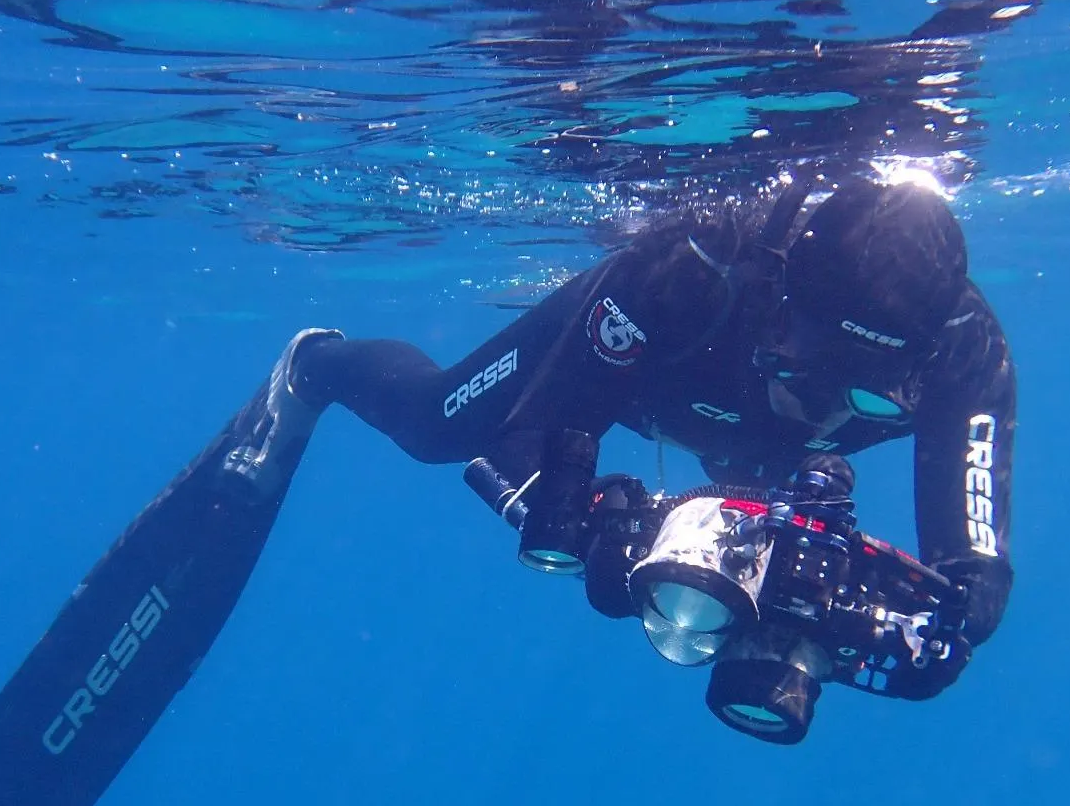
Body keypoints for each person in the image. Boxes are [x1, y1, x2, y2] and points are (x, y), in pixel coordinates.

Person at [229, 176, 1015, 702]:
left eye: (863, 394)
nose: (815, 408)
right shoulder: (690, 270)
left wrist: (881, 628)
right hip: (646, 378)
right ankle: (314, 366)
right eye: (800, 366)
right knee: (438, 425)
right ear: (773, 297)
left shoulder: (963, 355)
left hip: (743, 442)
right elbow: (531, 436)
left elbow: (973, 580)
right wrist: (597, 526)